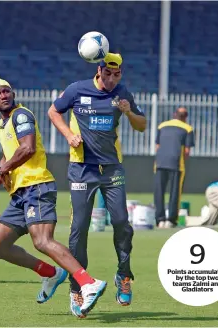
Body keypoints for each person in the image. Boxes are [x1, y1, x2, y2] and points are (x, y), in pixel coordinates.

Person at [0, 78, 107, 317]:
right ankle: (50, 273)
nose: (3, 95)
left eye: (6, 91)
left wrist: (5, 171)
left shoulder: (21, 115)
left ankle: (88, 282)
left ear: (12, 93)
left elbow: (28, 148)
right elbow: (7, 157)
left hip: (37, 186)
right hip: (19, 193)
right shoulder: (1, 125)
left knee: (42, 241)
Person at [47, 53, 146, 316]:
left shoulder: (123, 93)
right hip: (81, 169)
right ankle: (77, 286)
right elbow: (53, 111)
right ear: (99, 71)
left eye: (117, 75)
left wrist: (128, 112)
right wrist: (68, 135)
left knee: (122, 222)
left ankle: (123, 275)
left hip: (112, 168)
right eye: (108, 74)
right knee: (79, 228)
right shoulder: (77, 89)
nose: (112, 79)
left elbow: (142, 125)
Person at [154, 107, 195, 228]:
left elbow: (157, 146)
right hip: (176, 164)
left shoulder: (162, 126)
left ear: (174, 114)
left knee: (159, 192)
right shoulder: (188, 128)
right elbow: (186, 151)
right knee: (175, 192)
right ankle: (171, 220)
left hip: (160, 162)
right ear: (185, 117)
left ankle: (159, 220)